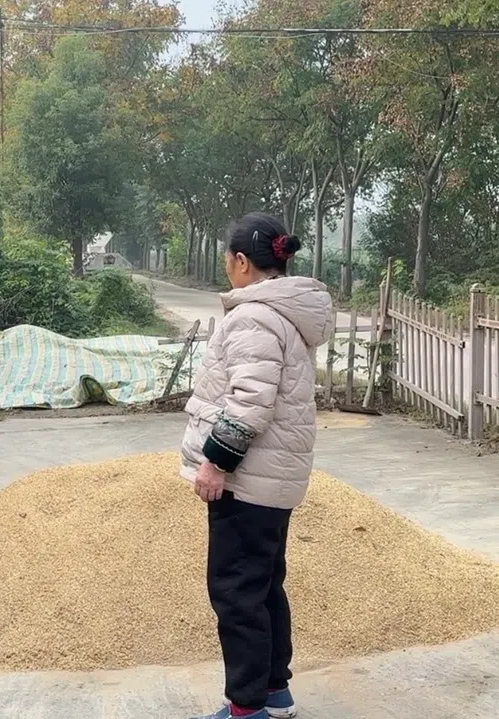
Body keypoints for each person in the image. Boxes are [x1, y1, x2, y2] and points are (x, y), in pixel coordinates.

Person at [183, 213, 333, 719]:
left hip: (248, 481)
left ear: (242, 262)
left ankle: (246, 707)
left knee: (236, 593)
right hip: (273, 480)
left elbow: (249, 401)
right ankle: (273, 691)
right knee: (263, 584)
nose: (227, 267)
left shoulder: (253, 316)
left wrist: (215, 464)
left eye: (228, 259)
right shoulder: (284, 312)